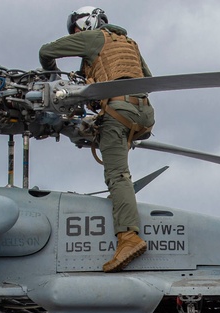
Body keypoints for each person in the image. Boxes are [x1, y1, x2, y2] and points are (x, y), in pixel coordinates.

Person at [39, 6, 155, 272]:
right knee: (107, 142)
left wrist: (52, 74)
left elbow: (46, 51)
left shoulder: (93, 38)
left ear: (86, 23)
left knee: (117, 175)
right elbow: (147, 80)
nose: (76, 35)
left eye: (76, 30)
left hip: (119, 111)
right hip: (143, 114)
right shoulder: (128, 43)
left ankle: (128, 237)